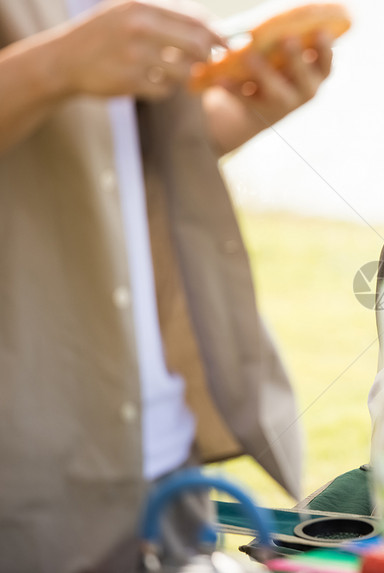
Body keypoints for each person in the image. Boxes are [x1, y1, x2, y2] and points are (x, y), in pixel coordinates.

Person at [0, 0, 335, 570]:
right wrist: (53, 67)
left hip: (167, 471)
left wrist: (239, 111)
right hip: (29, 488)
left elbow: (105, 163)